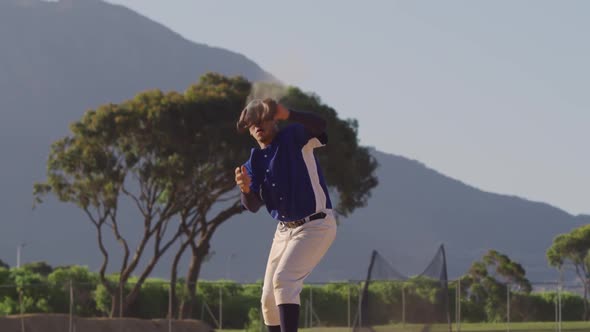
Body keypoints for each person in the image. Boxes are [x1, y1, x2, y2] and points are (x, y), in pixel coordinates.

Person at [235, 98, 337, 332]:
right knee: (268, 300)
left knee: (284, 280)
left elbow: (321, 125)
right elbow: (251, 205)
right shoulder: (253, 162)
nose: (257, 125)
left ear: (273, 121)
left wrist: (288, 113)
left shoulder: (294, 136)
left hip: (316, 225)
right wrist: (245, 189)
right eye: (251, 123)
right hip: (284, 231)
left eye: (261, 119)